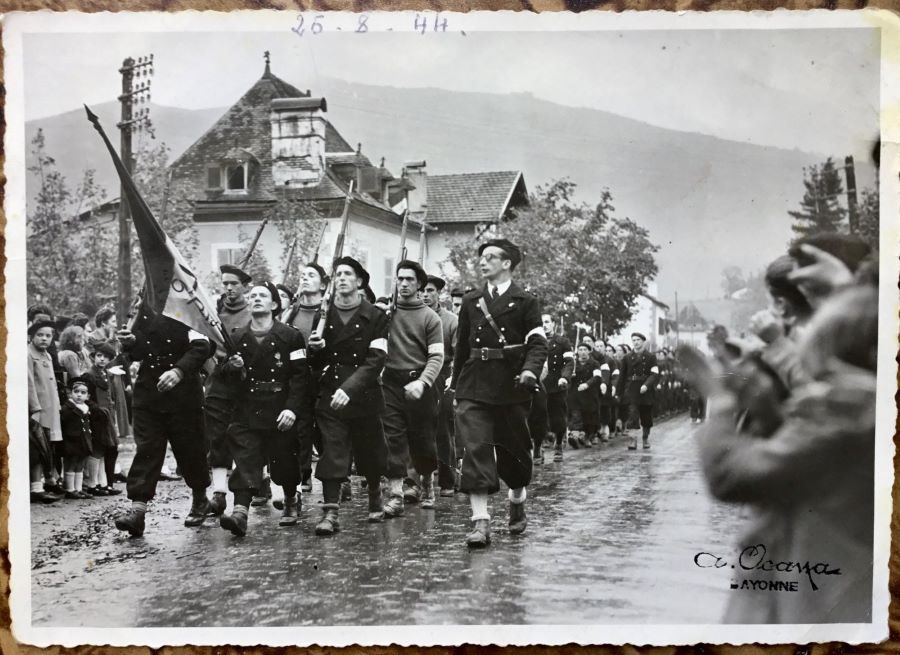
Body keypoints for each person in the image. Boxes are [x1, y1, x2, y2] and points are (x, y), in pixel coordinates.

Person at [697, 285, 876, 623]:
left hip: (816, 600)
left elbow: (729, 475)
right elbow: (811, 460)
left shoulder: (847, 404)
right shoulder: (862, 406)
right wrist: (769, 413)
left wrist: (719, 401)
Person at [451, 238, 547, 548]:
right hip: (474, 384)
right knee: (476, 449)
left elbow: (537, 343)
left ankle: (517, 498)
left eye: (490, 257)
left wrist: (530, 370)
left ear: (507, 263)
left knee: (514, 458)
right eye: (481, 256)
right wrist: (455, 386)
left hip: (512, 386)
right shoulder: (471, 300)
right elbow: (462, 346)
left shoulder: (526, 301)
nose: (483, 261)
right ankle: (480, 522)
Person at [218, 282, 310, 536]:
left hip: (280, 409)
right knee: (245, 459)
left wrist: (292, 409)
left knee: (284, 462)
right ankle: (240, 513)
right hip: (248, 409)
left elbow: (300, 377)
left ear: (274, 304)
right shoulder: (237, 337)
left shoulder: (290, 336)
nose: (256, 298)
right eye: (253, 295)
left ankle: (291, 500)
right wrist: (232, 368)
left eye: (263, 295)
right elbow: (223, 376)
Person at [112, 312, 214, 537]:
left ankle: (200, 500)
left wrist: (179, 370)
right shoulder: (145, 311)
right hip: (149, 394)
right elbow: (138, 353)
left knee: (191, 451)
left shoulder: (188, 306)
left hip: (184, 396)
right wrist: (131, 342)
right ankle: (138, 512)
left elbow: (203, 346)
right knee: (147, 450)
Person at [307, 256, 389, 534]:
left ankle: (375, 493)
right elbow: (315, 363)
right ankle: (331, 512)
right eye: (337, 274)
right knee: (332, 450)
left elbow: (376, 359)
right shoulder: (323, 315)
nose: (341, 278)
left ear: (359, 281)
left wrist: (349, 388)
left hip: (364, 394)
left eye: (347, 274)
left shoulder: (376, 316)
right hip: (331, 393)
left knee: (370, 452)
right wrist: (315, 349)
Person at [382, 260, 444, 515]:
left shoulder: (431, 318)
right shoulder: (387, 313)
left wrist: (422, 381)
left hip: (420, 383)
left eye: (409, 279)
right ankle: (396, 495)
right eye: (400, 278)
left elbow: (437, 356)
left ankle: (427, 486)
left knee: (423, 440)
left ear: (419, 284)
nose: (404, 283)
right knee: (392, 439)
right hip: (390, 383)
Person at [206, 264, 253, 516]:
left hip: (245, 382)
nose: (229, 288)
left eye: (234, 283)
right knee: (217, 436)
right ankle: (219, 492)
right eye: (225, 283)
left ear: (244, 286)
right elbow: (205, 345)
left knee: (245, 436)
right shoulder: (214, 311)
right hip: (219, 380)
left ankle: (252, 487)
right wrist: (212, 368)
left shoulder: (252, 312)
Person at [284, 262, 330, 494]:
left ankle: (335, 477)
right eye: (302, 275)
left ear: (322, 284)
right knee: (301, 428)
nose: (305, 278)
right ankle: (304, 475)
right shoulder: (292, 312)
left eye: (311, 275)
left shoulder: (328, 311)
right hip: (298, 376)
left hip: (323, 376)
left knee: (324, 428)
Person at [422, 274, 459, 496]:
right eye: (422, 291)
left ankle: (447, 480)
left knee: (444, 428)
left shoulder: (451, 320)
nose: (425, 295)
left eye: (430, 291)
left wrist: (452, 377)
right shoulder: (413, 317)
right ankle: (416, 482)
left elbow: (458, 353)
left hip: (443, 376)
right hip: (418, 374)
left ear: (439, 294)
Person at [28, 320, 63, 502]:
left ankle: (49, 480)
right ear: (31, 337)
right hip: (39, 408)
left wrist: (57, 405)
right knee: (37, 446)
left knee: (49, 445)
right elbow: (29, 383)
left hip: (51, 408)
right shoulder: (28, 354)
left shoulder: (47, 355)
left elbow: (52, 384)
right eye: (40, 335)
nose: (44, 339)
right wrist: (34, 408)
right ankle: (36, 487)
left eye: (48, 336)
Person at [83, 342, 123, 496]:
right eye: (99, 355)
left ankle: (104, 484)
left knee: (108, 448)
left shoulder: (105, 373)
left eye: (106, 357)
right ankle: (92, 485)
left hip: (107, 417)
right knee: (97, 449)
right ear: (94, 356)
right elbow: (86, 398)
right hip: (96, 416)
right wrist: (97, 409)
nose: (102, 359)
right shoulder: (89, 375)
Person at [537, 314, 572, 462]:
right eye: (541, 322)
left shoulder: (563, 342)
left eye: (547, 322)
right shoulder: (535, 340)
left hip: (557, 385)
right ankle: (538, 447)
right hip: (538, 384)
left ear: (553, 324)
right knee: (537, 416)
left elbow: (569, 362)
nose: (544, 325)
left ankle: (558, 444)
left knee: (558, 417)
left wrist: (564, 377)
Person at [620, 332, 659, 450]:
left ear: (643, 341)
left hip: (646, 390)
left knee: (646, 416)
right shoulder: (627, 357)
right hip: (632, 389)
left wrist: (646, 385)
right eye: (634, 340)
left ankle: (645, 438)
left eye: (638, 340)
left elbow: (654, 374)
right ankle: (633, 440)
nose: (636, 342)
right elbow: (622, 376)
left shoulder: (651, 357)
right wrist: (619, 392)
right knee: (632, 415)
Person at [59, 377, 94, 500]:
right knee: (71, 463)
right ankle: (70, 489)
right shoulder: (67, 408)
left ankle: (78, 489)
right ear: (70, 393)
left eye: (83, 393)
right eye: (76, 391)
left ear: (87, 396)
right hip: (71, 440)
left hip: (83, 440)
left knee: (80, 463)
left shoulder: (86, 407)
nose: (79, 395)